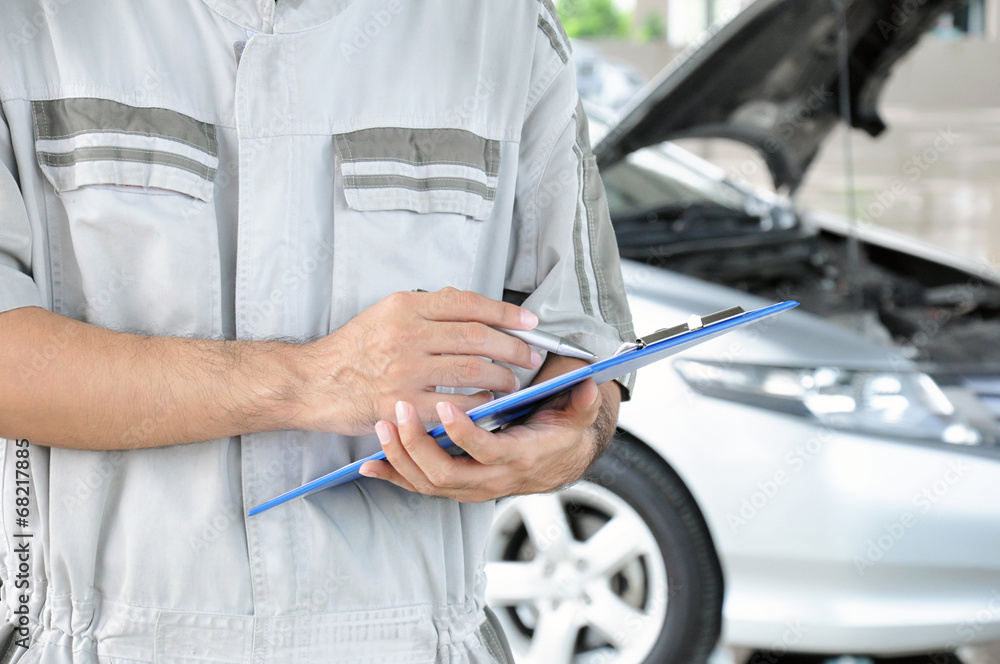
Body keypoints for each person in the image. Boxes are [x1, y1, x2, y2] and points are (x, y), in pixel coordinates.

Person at [0, 1, 635, 662]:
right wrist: (311, 379)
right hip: (99, 642)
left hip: (421, 642)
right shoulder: (28, 22)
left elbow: (582, 348)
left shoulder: (504, 25)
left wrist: (567, 442)